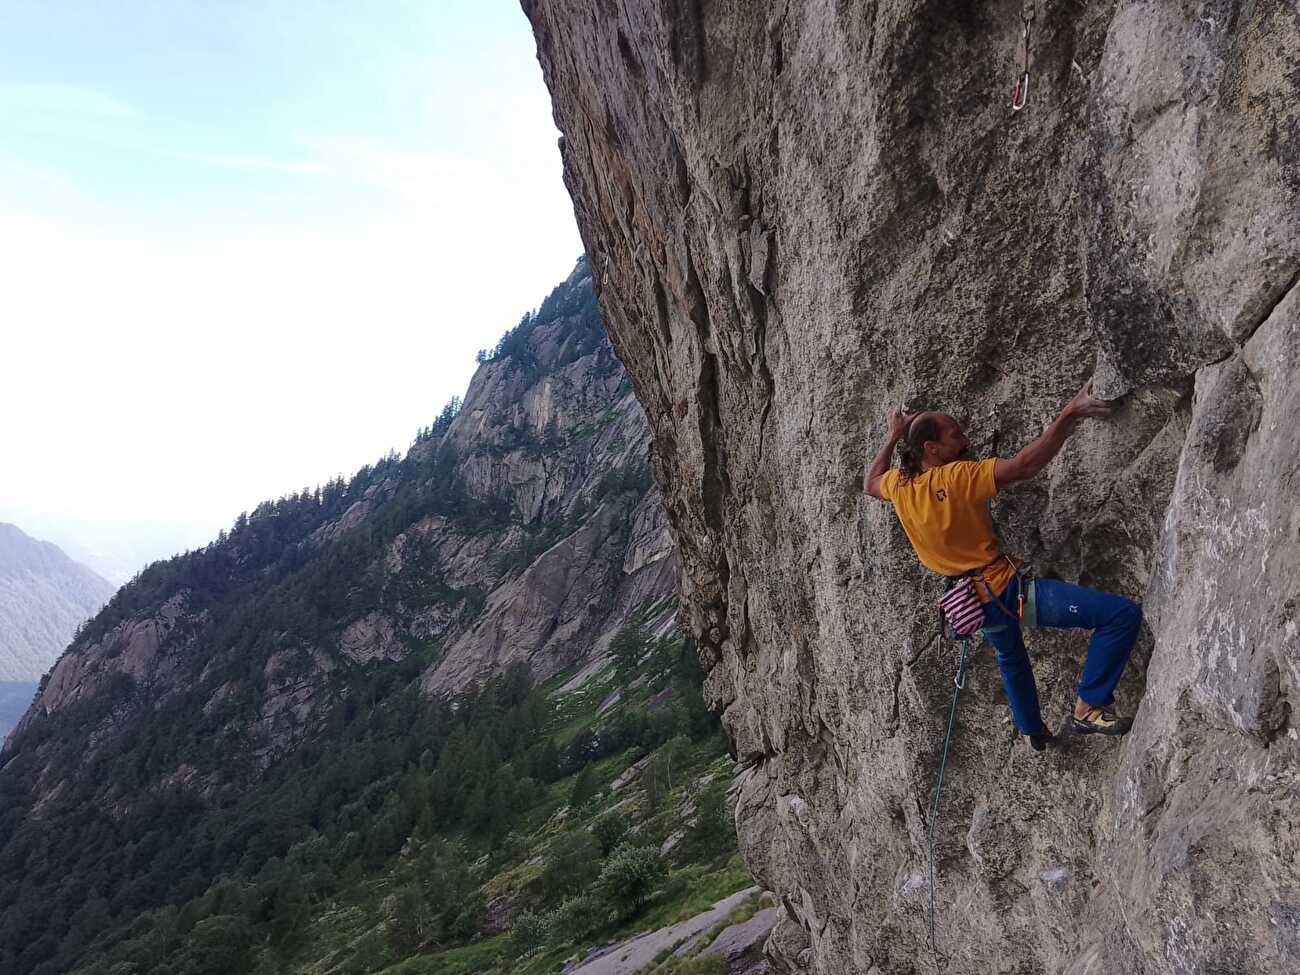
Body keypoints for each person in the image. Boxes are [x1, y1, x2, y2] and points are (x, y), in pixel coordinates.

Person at [864, 382, 1142, 750]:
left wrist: (892, 436)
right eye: (955, 435)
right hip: (1003, 590)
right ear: (932, 448)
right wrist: (1070, 413)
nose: (964, 440)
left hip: (970, 599)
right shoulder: (957, 477)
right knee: (1119, 615)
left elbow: (869, 483)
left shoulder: (900, 486)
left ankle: (1031, 730)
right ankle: (1088, 709)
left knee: (1010, 656)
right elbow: (1026, 465)